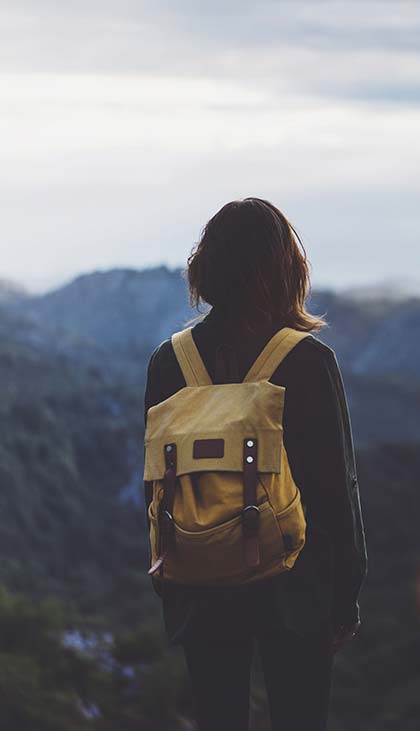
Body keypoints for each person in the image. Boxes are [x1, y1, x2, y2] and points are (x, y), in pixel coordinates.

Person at [143, 197, 367, 730]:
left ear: (205, 267)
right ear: (287, 269)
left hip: (199, 581)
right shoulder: (308, 359)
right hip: (295, 584)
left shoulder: (168, 361)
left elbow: (154, 485)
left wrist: (169, 580)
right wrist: (345, 595)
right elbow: (336, 489)